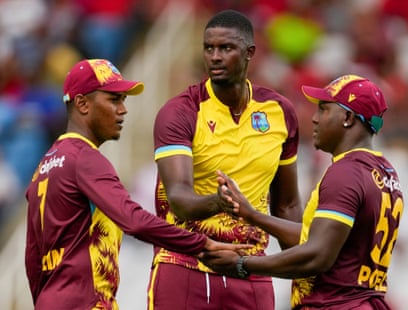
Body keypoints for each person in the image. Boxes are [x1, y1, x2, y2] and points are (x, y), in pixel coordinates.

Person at [24, 58, 249, 310]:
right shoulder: (85, 158)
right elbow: (134, 220)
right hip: (85, 303)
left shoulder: (44, 167)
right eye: (113, 99)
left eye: (123, 100)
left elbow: (32, 258)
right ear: (82, 103)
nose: (123, 109)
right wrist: (202, 244)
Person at [200, 74, 404, 310]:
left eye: (324, 110)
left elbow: (317, 255)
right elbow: (318, 238)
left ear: (348, 117)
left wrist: (242, 264)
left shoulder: (346, 173)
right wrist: (252, 215)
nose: (315, 119)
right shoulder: (385, 171)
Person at [150, 9, 302, 310]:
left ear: (250, 53)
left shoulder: (279, 113)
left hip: (250, 269)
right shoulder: (181, 112)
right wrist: (221, 202)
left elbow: (286, 204)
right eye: (209, 48)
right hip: (185, 265)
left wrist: (302, 263)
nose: (215, 57)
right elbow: (179, 197)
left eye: (226, 48)